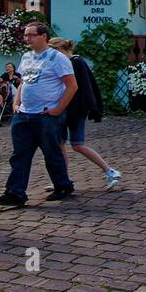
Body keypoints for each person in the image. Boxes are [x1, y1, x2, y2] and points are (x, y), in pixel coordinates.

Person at [0, 22, 78, 207]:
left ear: (44, 36)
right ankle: (15, 192)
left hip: (46, 114)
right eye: (26, 35)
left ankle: (62, 185)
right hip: (24, 114)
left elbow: (72, 86)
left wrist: (58, 109)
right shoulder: (26, 57)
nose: (27, 38)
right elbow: (23, 82)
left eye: (31, 35)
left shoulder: (57, 58)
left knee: (51, 153)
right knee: (20, 154)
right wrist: (16, 102)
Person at [48, 38, 122, 189]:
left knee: (77, 145)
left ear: (60, 49)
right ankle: (62, 179)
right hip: (65, 109)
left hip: (74, 110)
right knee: (60, 145)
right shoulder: (71, 62)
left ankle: (109, 171)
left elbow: (82, 88)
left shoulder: (75, 62)